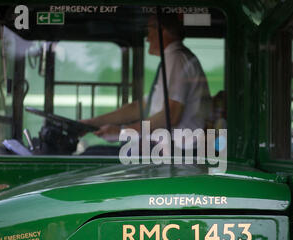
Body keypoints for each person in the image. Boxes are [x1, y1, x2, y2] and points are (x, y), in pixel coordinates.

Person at [81, 13, 212, 143]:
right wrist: (91, 123)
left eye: (149, 31)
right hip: (168, 150)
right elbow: (140, 107)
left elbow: (171, 115)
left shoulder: (176, 58)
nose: (147, 38)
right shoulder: (173, 60)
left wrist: (123, 132)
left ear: (162, 31)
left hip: (178, 153)